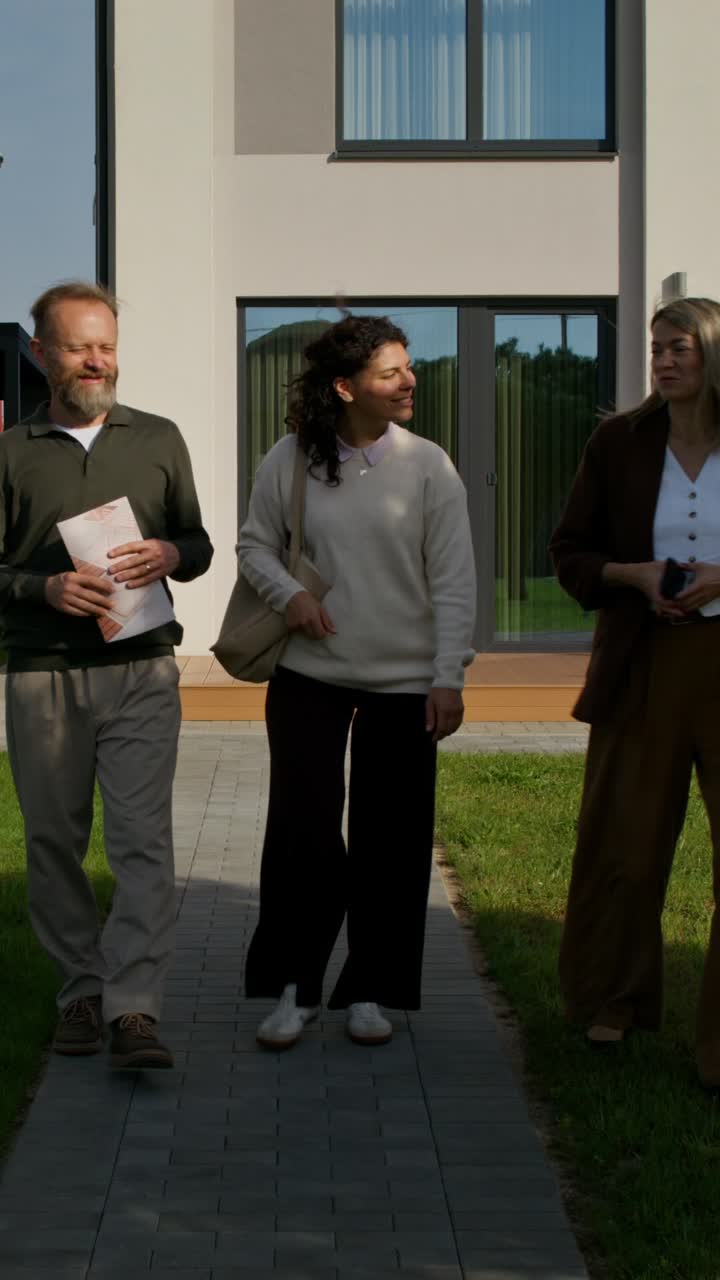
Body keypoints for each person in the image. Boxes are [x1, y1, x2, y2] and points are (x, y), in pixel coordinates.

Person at [238, 314, 476, 1049]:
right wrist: (291, 596)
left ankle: (371, 987)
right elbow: (254, 547)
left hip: (406, 683)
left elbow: (456, 580)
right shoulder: (291, 458)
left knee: (393, 838)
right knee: (303, 833)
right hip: (310, 674)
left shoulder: (430, 465)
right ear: (346, 387)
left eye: (409, 367)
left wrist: (447, 676)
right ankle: (295, 986)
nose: (410, 381)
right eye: (390, 372)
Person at [0, 281, 213, 1069]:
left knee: (141, 843)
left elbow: (197, 545)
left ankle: (133, 1010)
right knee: (54, 842)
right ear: (39, 354)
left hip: (141, 669)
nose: (97, 361)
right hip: (42, 675)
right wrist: (42, 586)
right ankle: (79, 996)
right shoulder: (11, 452)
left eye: (107, 345)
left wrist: (170, 554)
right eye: (78, 346)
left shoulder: (158, 438)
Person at [550, 295, 720, 1087]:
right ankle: (612, 1000)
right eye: (656, 347)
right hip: (642, 662)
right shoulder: (618, 441)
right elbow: (571, 552)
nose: (664, 359)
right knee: (626, 842)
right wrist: (633, 575)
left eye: (680, 345)